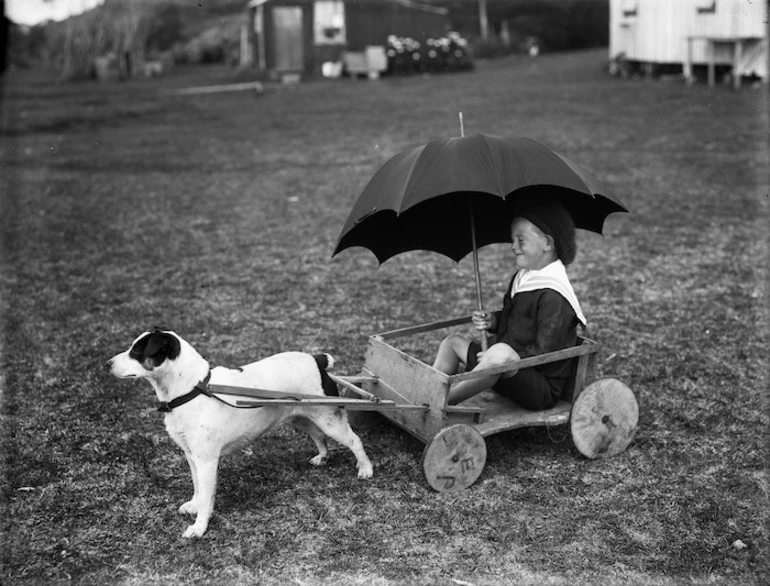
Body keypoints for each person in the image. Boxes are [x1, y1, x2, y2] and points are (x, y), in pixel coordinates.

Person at [432, 202, 587, 410]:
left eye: (520, 240)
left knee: (500, 353)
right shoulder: (523, 277)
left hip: (537, 385)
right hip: (501, 370)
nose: (513, 246)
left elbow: (546, 353)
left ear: (548, 244)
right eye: (512, 240)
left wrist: (498, 357)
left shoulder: (555, 296)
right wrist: (494, 320)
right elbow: (514, 319)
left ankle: (441, 403)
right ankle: (431, 390)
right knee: (453, 343)